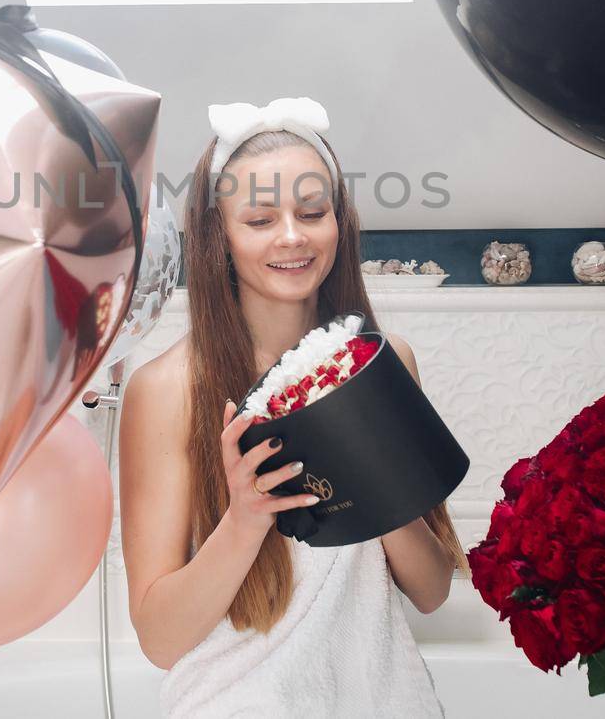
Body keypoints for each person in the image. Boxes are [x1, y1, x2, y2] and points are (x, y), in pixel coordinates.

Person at [119, 97, 466, 718]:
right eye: (258, 220)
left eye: (312, 212)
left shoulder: (387, 364)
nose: (292, 237)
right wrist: (247, 516)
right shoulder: (168, 388)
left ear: (341, 221)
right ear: (217, 235)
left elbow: (433, 590)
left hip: (379, 698)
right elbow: (160, 640)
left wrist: (372, 477)